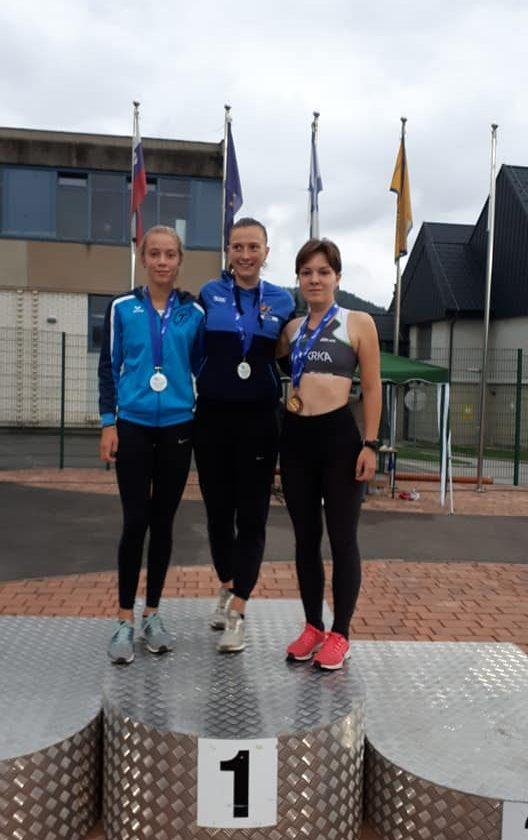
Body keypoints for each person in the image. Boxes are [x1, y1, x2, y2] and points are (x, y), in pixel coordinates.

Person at [98, 225, 204, 664]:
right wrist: (109, 423)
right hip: (134, 426)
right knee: (135, 521)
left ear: (180, 261)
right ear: (143, 259)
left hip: (179, 425)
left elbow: (201, 366)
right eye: (155, 254)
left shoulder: (193, 312)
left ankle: (152, 614)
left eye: (170, 254)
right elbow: (109, 367)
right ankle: (124, 618)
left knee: (163, 522)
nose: (162, 261)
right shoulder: (122, 307)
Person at [278, 238, 381, 670]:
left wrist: (370, 444)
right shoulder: (290, 329)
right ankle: (313, 626)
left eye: (323, 272)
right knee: (305, 539)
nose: (315, 279)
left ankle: (341, 633)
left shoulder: (358, 322)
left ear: (337, 277)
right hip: (296, 439)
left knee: (342, 539)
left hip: (339, 438)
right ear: (298, 279)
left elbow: (371, 387)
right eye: (306, 273)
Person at [194, 217, 295, 653]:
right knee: (218, 515)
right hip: (212, 419)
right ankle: (228, 582)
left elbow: (289, 357)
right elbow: (195, 350)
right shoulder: (208, 294)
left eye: (254, 246)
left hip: (259, 421)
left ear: (266, 252)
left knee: (252, 517)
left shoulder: (283, 300)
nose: (246, 254)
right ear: (228, 251)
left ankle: (238, 610)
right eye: (238, 246)